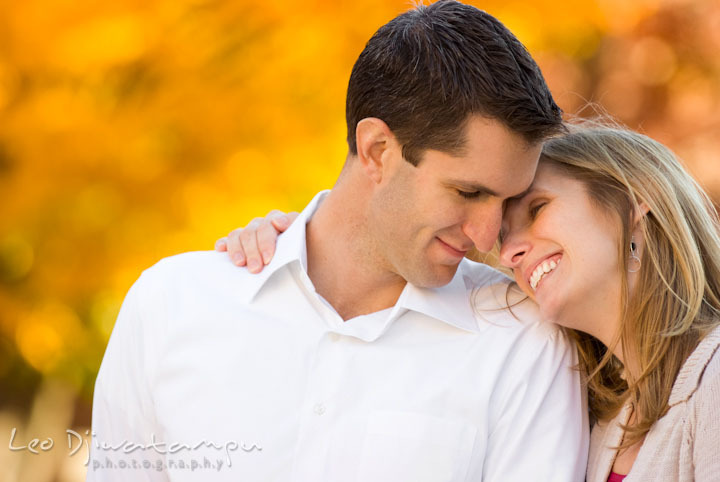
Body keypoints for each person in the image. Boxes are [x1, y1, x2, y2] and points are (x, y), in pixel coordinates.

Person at [88, 1, 590, 481]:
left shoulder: (523, 343)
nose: (488, 236)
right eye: (468, 191)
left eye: (506, 202)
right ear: (377, 150)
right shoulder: (171, 305)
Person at [225, 119, 720, 481]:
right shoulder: (599, 411)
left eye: (539, 209)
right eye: (504, 234)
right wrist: (306, 246)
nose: (508, 250)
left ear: (636, 200)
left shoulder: (713, 380)